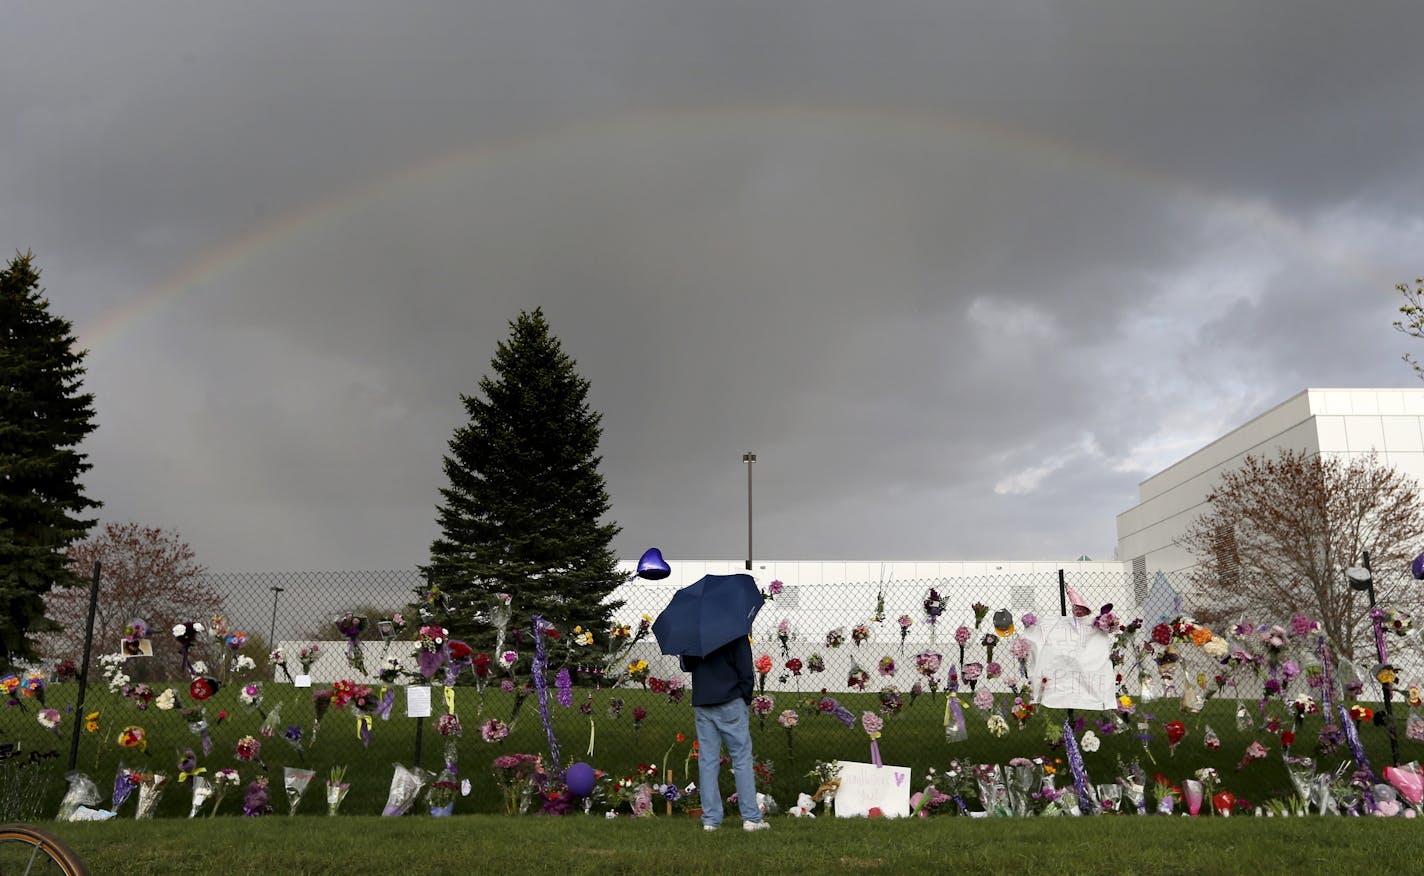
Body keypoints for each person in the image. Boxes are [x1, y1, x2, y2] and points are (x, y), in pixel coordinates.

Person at [681, 634, 769, 831]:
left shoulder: (693, 630)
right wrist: (744, 696)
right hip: (731, 699)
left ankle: (711, 819)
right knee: (742, 759)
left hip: (703, 700)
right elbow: (745, 668)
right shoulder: (735, 631)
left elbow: (686, 664)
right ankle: (751, 819)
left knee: (708, 761)